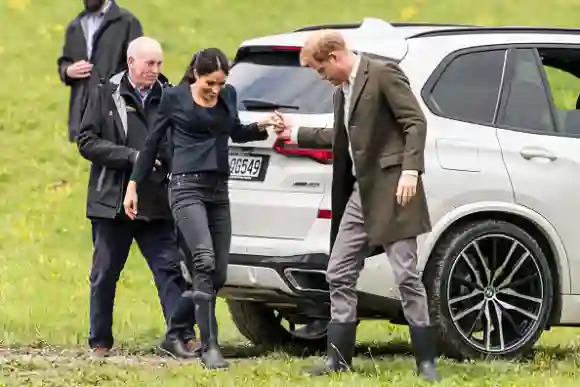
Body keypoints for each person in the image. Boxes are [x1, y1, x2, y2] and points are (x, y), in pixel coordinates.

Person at [273, 30, 440, 381]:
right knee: (338, 271)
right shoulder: (341, 92)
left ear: (334, 57)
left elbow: (415, 122)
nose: (322, 78)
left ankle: (426, 363)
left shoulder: (382, 74)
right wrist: (295, 132)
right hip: (360, 196)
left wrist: (410, 171)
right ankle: (339, 360)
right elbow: (342, 138)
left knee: (407, 275)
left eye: (320, 70)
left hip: (394, 191)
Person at [122, 48, 278, 369]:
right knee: (203, 261)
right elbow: (151, 143)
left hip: (219, 192)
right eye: (211, 82)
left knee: (216, 274)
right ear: (196, 74)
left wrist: (263, 126)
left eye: (222, 83)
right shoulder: (174, 98)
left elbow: (234, 130)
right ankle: (210, 347)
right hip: (185, 187)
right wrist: (133, 185)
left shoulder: (229, 96)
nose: (216, 89)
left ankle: (174, 331)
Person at [77, 36, 197, 359]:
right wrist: (132, 156)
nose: (155, 70)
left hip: (157, 202)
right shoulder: (104, 93)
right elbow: (86, 141)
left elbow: (179, 141)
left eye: (159, 64)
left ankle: (182, 336)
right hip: (111, 202)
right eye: (149, 64)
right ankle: (99, 342)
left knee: (170, 270)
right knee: (104, 274)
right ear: (131, 62)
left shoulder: (169, 97)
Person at [57, 0, 143, 143]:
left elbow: (139, 66)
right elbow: (65, 61)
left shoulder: (127, 23)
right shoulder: (75, 26)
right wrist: (67, 71)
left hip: (116, 113)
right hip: (83, 114)